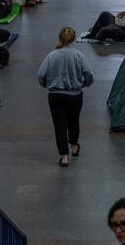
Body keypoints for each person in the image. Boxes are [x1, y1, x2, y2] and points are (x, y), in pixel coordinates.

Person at [37, 27, 94, 167]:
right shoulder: (78, 55)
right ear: (73, 39)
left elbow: (41, 75)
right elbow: (88, 74)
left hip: (55, 95)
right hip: (75, 95)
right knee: (73, 121)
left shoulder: (52, 55)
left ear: (60, 38)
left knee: (59, 125)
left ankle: (64, 157)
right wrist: (84, 84)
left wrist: (47, 85)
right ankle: (74, 146)